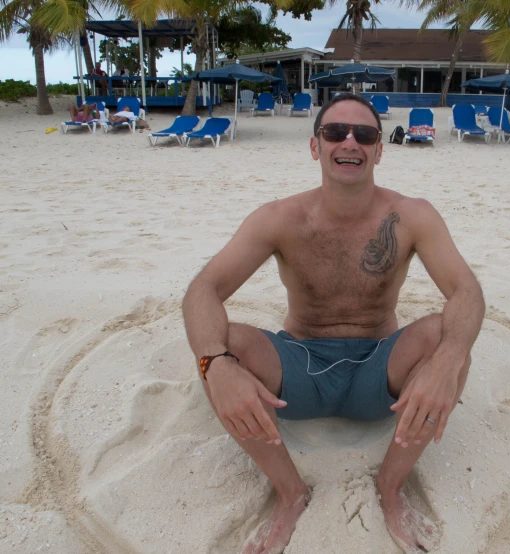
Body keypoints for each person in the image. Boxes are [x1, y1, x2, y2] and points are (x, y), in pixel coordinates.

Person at [182, 93, 485, 554]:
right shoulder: (279, 218)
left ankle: (389, 489)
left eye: (364, 134)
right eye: (334, 132)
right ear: (315, 146)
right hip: (298, 367)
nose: (350, 142)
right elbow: (203, 289)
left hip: (380, 370)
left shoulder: (412, 216)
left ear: (379, 150)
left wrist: (450, 357)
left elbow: (466, 290)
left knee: (448, 337)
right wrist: (216, 363)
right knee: (220, 347)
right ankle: (290, 495)